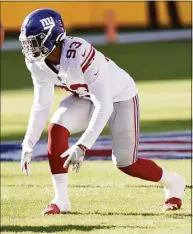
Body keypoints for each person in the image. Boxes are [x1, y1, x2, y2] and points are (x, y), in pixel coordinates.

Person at [19, 9, 186, 215]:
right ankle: (61, 200)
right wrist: (29, 141)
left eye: (35, 42)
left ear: (53, 37)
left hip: (119, 97)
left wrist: (83, 145)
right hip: (86, 96)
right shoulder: (36, 64)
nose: (30, 48)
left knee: (126, 163)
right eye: (27, 43)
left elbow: (104, 104)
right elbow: (42, 104)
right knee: (57, 129)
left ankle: (174, 182)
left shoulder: (78, 52)